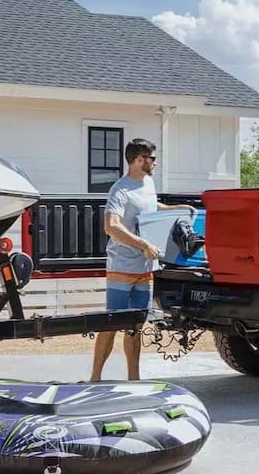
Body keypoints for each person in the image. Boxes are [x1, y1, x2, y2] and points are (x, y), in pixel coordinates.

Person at [90, 138, 196, 381]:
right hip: (122, 267)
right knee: (111, 323)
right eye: (152, 158)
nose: (156, 163)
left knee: (135, 325)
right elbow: (111, 226)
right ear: (139, 160)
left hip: (146, 267)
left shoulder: (148, 183)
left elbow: (148, 207)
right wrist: (143, 244)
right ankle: (94, 378)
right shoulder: (120, 189)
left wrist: (174, 209)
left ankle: (134, 380)